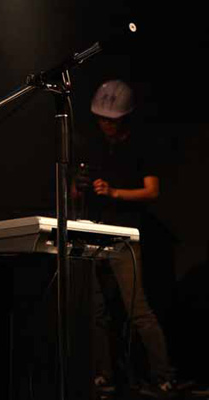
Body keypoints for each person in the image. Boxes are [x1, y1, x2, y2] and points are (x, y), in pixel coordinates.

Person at [78, 79, 185, 399]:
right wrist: (79, 187)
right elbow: (75, 192)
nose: (106, 125)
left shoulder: (141, 146)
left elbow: (152, 191)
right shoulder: (93, 147)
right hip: (95, 231)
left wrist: (114, 192)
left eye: (111, 120)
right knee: (97, 311)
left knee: (137, 310)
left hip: (126, 235)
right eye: (101, 119)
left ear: (125, 118)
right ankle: (104, 376)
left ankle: (164, 377)